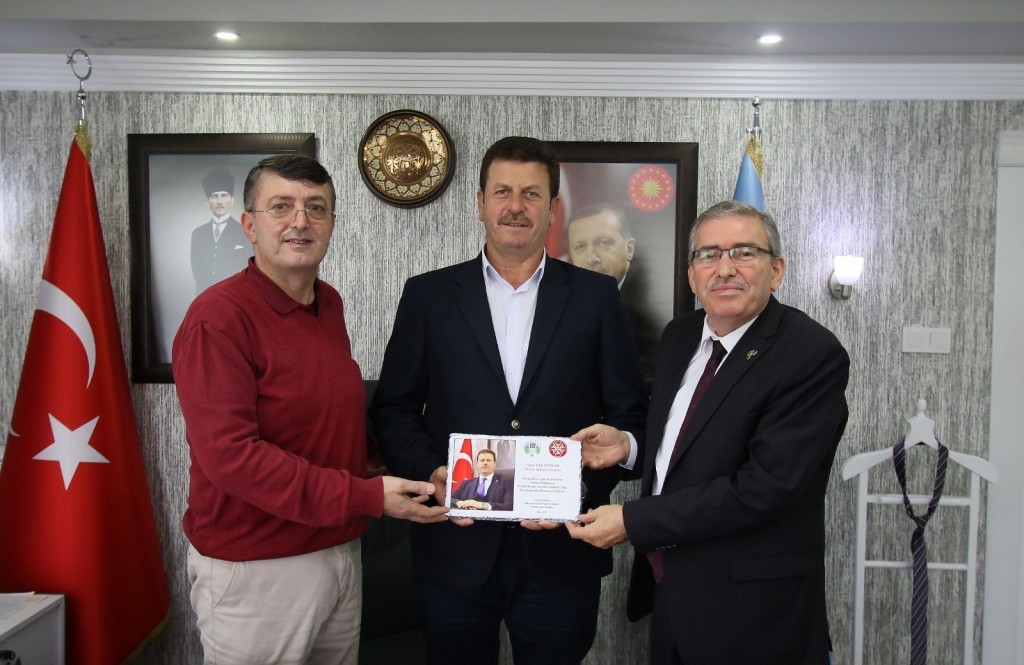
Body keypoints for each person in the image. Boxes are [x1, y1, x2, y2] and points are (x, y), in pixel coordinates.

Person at [370, 136, 648, 665]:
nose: (515, 206)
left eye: (531, 194)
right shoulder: (428, 296)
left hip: (561, 553)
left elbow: (628, 415)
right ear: (480, 202)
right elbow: (394, 409)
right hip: (455, 547)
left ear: (553, 208)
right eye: (502, 192)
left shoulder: (596, 298)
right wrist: (432, 473)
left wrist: (579, 489)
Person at [172, 154, 448, 665]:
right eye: (281, 207)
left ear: (331, 225)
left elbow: (329, 423)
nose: (300, 221)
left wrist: (410, 468)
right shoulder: (217, 318)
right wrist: (368, 495)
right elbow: (231, 458)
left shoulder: (328, 303)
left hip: (338, 551)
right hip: (259, 569)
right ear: (249, 225)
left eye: (315, 208)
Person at [566, 200, 850, 665]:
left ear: (776, 271)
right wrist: (628, 446)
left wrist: (632, 521)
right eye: (709, 255)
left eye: (744, 252)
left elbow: (764, 489)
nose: (725, 269)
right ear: (692, 275)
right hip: (671, 596)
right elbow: (688, 444)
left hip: (756, 614)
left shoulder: (810, 354)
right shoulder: (680, 337)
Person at [566, 204, 661, 375]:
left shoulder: (649, 314)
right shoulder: (563, 304)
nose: (591, 258)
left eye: (603, 243)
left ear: (629, 249)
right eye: (580, 247)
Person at [190, 168, 252, 294]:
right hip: (204, 295)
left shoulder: (244, 230)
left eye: (224, 196)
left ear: (232, 201)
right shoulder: (198, 233)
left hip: (236, 295)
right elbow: (197, 270)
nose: (219, 202)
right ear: (208, 202)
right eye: (214, 196)